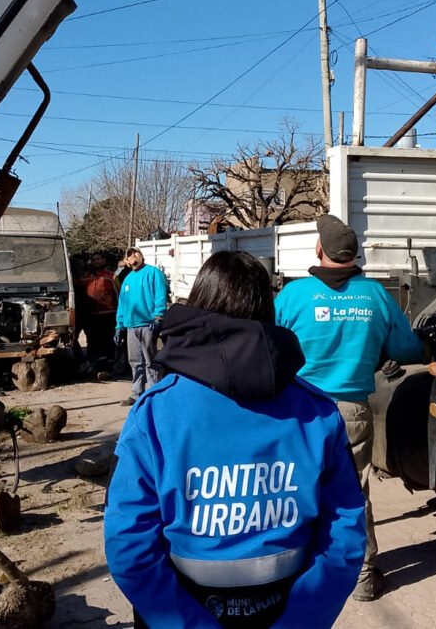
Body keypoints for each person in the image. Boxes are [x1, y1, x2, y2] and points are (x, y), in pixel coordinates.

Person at [105, 251, 366, 628]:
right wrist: (303, 620)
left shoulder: (155, 413)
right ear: (268, 311)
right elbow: (344, 530)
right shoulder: (317, 411)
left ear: (198, 305)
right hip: (288, 610)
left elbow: (129, 544)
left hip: (181, 610)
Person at [274, 215, 424, 602]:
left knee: (296, 489)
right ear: (354, 254)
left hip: (299, 411)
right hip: (351, 412)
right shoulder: (374, 295)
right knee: (352, 494)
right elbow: (407, 349)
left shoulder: (292, 296)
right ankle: (363, 577)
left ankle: (298, 570)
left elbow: (268, 347)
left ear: (319, 250)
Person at [114, 247, 169, 406]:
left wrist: (158, 317)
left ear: (141, 255)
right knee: (135, 361)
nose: (132, 256)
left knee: (150, 361)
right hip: (131, 326)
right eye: (129, 254)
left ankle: (153, 393)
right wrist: (119, 326)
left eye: (135, 252)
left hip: (148, 324)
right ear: (127, 261)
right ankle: (136, 394)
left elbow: (160, 295)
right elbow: (122, 304)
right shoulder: (128, 279)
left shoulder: (153, 273)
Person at [83, 252, 119, 369]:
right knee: (93, 342)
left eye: (98, 259)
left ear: (103, 261)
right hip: (92, 316)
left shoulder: (112, 277)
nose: (96, 262)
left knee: (107, 341)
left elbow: (120, 296)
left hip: (109, 316)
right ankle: (94, 368)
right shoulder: (87, 276)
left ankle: (107, 369)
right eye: (93, 260)